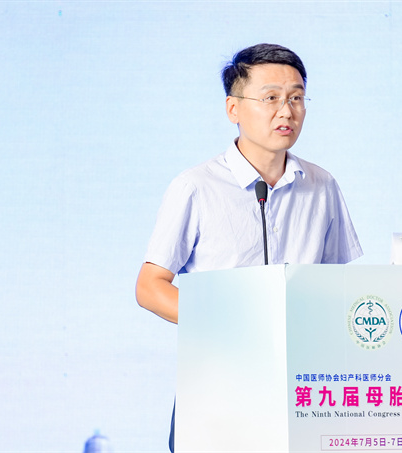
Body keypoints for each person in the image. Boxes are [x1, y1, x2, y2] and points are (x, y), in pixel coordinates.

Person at [134, 43, 362, 451]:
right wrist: (227, 323)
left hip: (299, 385)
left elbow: (336, 287)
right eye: (270, 98)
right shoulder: (196, 186)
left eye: (296, 98)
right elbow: (150, 287)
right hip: (218, 384)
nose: (286, 111)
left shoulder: (322, 185)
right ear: (233, 108)